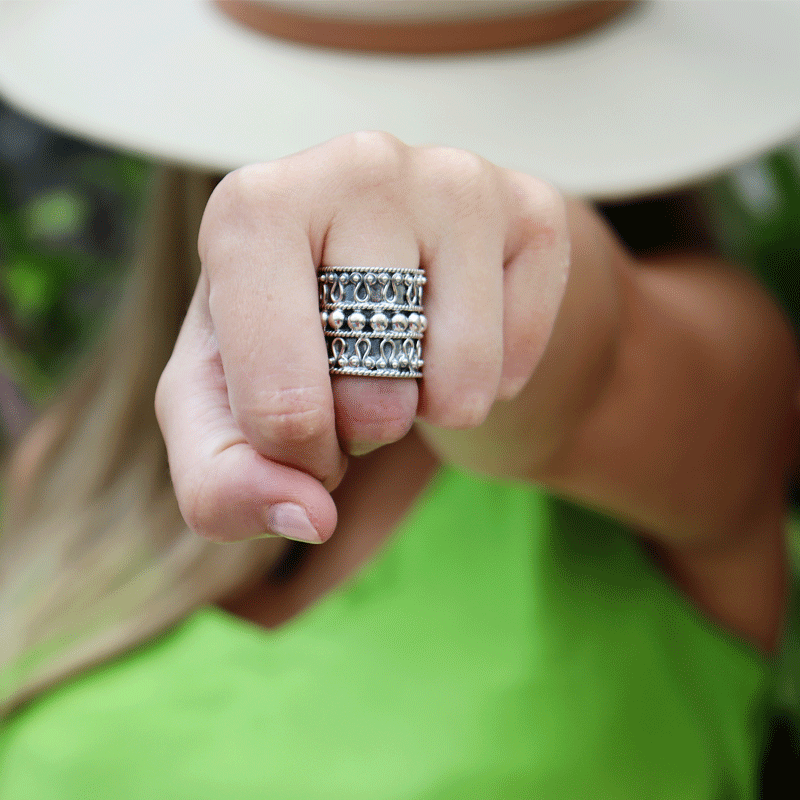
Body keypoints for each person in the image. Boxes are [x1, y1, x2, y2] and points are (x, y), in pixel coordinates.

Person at [1, 1, 800, 797]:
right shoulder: (82, 464)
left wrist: (491, 238)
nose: (381, 153)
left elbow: (590, 361)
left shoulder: (720, 368)